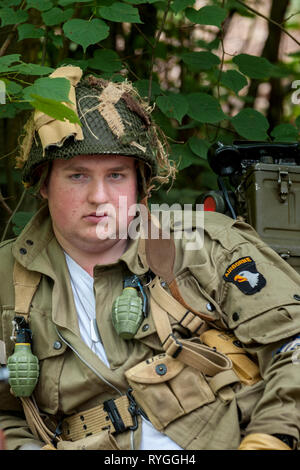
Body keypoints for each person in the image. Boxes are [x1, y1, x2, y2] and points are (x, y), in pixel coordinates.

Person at [0, 65, 300, 451]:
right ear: (44, 183)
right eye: (77, 176)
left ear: (140, 182)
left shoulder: (205, 244)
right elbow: (6, 411)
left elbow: (291, 344)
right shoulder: (8, 276)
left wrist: (270, 439)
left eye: (116, 175)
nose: (99, 197)